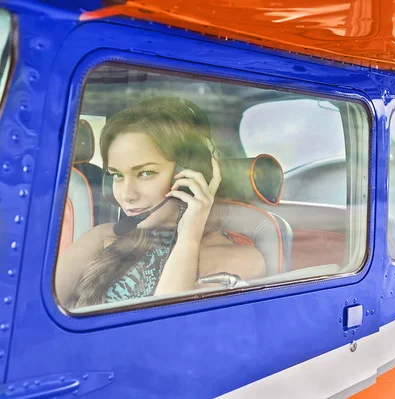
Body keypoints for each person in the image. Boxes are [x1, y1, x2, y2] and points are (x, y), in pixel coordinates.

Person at [56, 97, 266, 310]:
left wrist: (188, 238)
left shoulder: (239, 260)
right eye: (117, 175)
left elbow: (163, 331)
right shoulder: (103, 237)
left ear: (190, 175)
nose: (126, 195)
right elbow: (33, 308)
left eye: (146, 173)